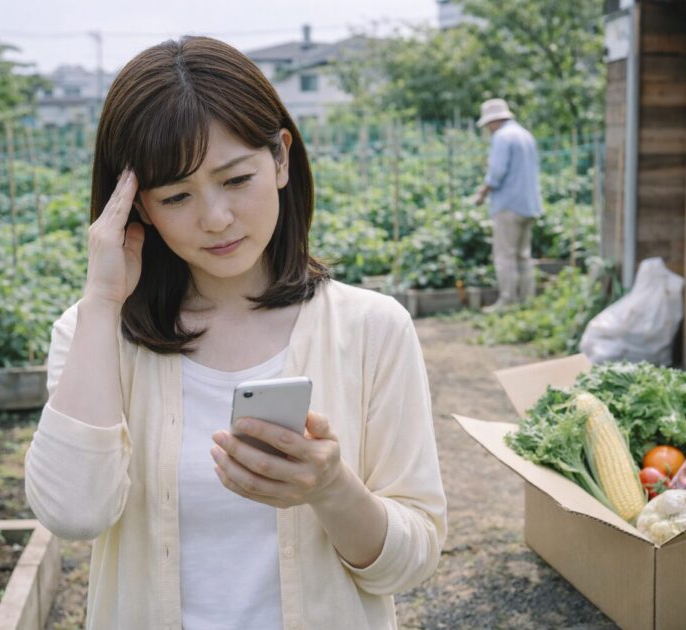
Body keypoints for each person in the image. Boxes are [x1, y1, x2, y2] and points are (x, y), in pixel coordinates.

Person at [24, 36, 446, 630]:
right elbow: (73, 514)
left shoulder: (373, 328)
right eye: (176, 195)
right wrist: (100, 302)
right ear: (136, 206)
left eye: (235, 178)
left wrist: (331, 489)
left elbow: (412, 561)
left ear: (280, 158)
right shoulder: (93, 334)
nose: (215, 218)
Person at [473, 98, 543, 311]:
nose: (488, 129)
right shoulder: (525, 135)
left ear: (493, 121)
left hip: (508, 205)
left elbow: (496, 173)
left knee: (504, 255)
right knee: (523, 255)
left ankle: (507, 301)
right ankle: (527, 299)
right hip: (529, 204)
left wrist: (481, 194)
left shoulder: (502, 137)